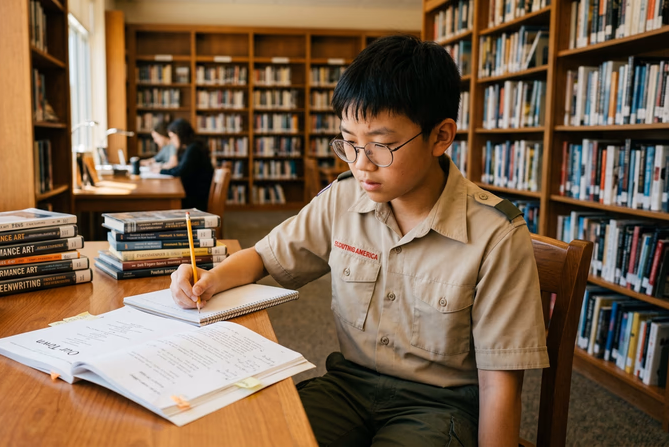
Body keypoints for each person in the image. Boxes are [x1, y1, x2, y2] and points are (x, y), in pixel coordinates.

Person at [168, 35, 548, 446]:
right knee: (258, 434)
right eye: (349, 143)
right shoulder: (345, 198)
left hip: (438, 406)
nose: (360, 164)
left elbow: (501, 388)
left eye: (380, 146)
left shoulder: (495, 235)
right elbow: (264, 257)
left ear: (441, 136)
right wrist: (208, 279)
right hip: (349, 387)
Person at [161, 118, 214, 211]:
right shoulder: (191, 148)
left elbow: (180, 172)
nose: (171, 141)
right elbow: (180, 168)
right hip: (195, 194)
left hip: (195, 201)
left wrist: (160, 170)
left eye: (172, 137)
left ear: (180, 135)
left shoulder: (193, 149)